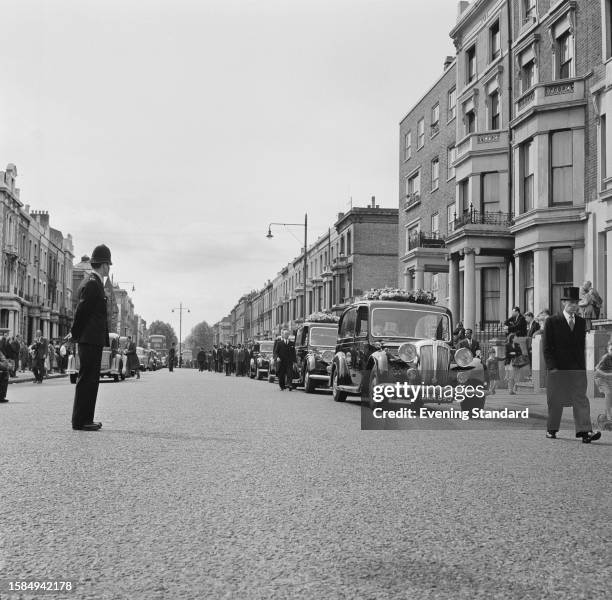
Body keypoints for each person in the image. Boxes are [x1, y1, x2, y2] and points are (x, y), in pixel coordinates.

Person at [542, 286, 601, 443]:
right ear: (563, 303)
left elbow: (580, 347)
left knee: (580, 399)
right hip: (557, 369)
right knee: (556, 401)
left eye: (576, 302)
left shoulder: (581, 322)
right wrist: (552, 367)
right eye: (570, 302)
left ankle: (585, 432)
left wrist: (582, 367)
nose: (574, 305)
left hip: (577, 369)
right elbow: (547, 348)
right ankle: (552, 429)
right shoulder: (551, 322)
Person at [68, 244, 112, 431]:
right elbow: (82, 312)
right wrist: (74, 334)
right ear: (103, 265)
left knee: (91, 379)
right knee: (88, 379)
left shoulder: (92, 283)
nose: (109, 268)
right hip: (89, 339)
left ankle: (86, 418)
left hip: (91, 339)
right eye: (108, 265)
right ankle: (81, 420)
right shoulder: (93, 284)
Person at [594, 339, 612, 425]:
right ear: (608, 349)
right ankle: (608, 415)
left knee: (610, 396)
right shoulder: (605, 358)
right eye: (611, 349)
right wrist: (607, 374)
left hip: (608, 379)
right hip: (600, 378)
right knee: (608, 393)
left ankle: (604, 417)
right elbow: (597, 369)